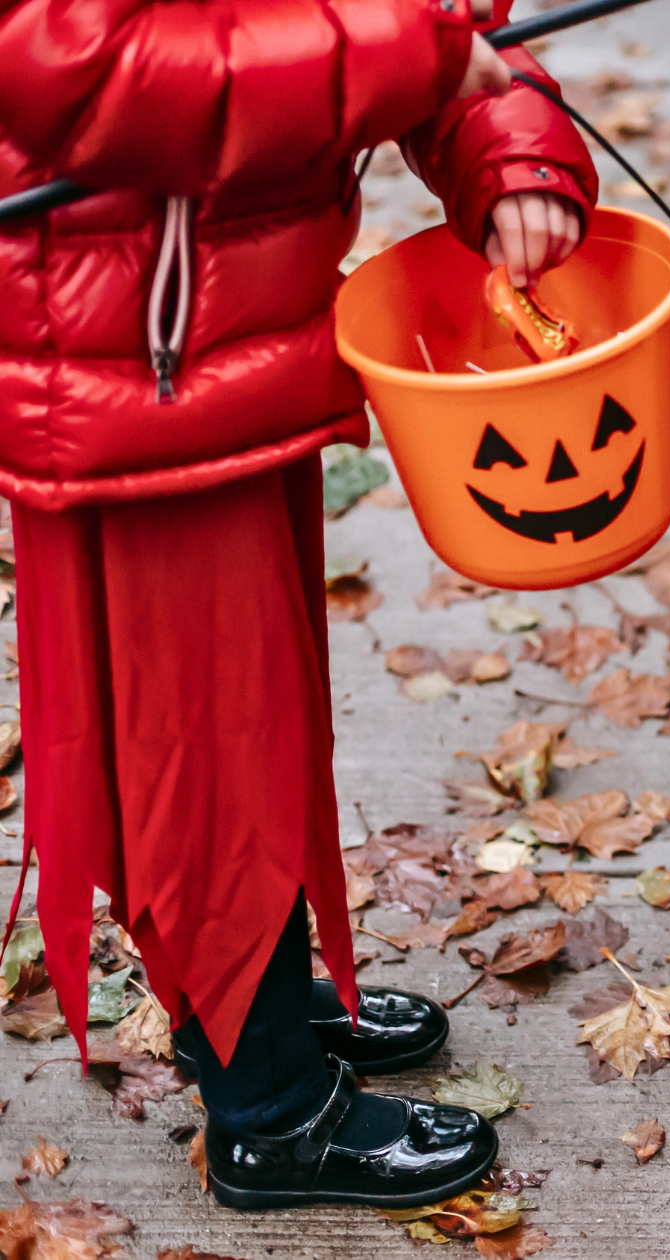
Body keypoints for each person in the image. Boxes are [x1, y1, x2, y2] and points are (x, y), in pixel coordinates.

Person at [0, 0, 595, 1209]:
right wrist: (412, 59)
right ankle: (267, 1108)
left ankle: (256, 1007)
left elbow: (428, 17)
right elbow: (84, 74)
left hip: (228, 333)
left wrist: (509, 151)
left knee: (253, 727)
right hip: (138, 366)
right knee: (198, 747)